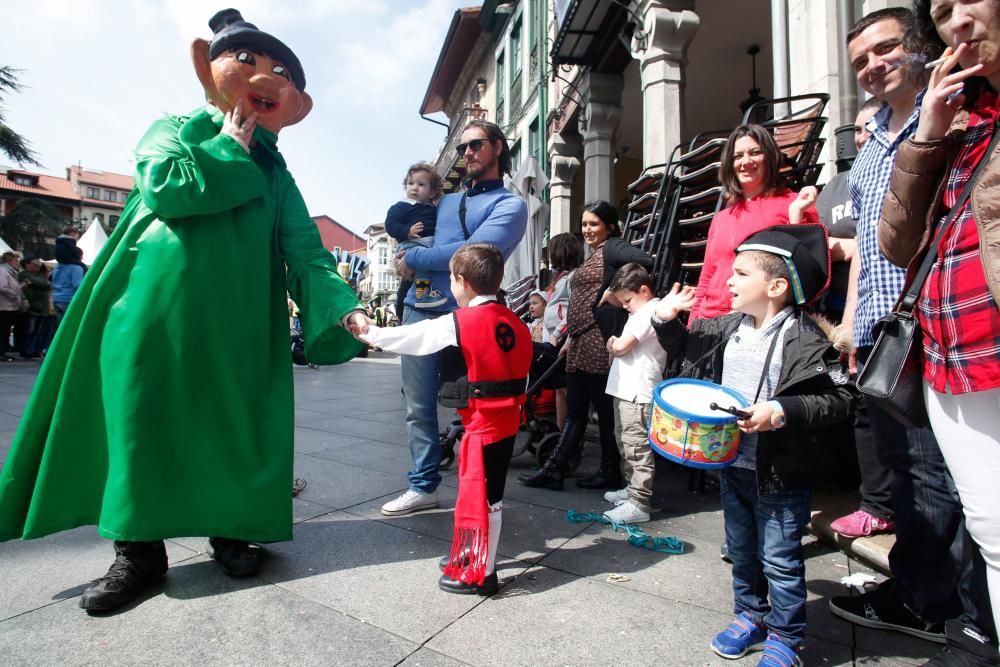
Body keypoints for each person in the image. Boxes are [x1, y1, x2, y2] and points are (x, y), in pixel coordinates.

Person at [0, 9, 366, 614]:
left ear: (296, 105)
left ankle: (230, 528)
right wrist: (228, 145)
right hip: (145, 311)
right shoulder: (170, 128)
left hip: (239, 321)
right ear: (208, 67)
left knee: (234, 421)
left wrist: (343, 309)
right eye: (248, 61)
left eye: (281, 73)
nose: (263, 78)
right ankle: (138, 553)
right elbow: (170, 186)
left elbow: (305, 250)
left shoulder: (276, 172)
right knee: (142, 421)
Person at [828, 9, 997, 659]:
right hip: (882, 325)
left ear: (919, 46)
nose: (873, 65)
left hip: (943, 319)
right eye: (861, 61)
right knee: (909, 470)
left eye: (885, 48)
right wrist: (850, 320)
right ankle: (928, 590)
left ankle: (933, 600)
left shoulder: (954, 104)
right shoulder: (870, 143)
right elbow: (871, 243)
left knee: (936, 475)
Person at [655, 224, 854, 666]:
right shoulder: (728, 326)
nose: (728, 279)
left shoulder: (804, 338)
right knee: (742, 550)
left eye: (741, 273)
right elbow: (687, 349)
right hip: (734, 465)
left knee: (781, 559)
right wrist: (664, 319)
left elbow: (840, 399)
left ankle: (787, 636)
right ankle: (750, 615)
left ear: (777, 286)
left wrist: (781, 410)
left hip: (781, 471)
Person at [877, 0, 1000, 659]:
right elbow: (897, 240)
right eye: (942, 11)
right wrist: (928, 130)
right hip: (951, 354)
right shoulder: (955, 121)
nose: (956, 22)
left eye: (967, 1)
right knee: (993, 529)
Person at [356, 243, 532, 595]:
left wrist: (369, 334)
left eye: (451, 278)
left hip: (482, 424)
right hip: (508, 419)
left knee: (485, 498)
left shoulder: (461, 321)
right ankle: (474, 555)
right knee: (489, 494)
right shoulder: (516, 321)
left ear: (461, 281)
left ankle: (484, 571)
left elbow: (412, 337)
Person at [378, 120, 528, 517]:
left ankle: (477, 491)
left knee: (479, 409)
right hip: (419, 307)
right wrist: (409, 255)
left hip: (472, 315)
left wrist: (412, 259)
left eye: (475, 145)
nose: (467, 154)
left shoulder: (510, 204)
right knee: (418, 405)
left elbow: (472, 254)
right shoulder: (442, 203)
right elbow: (416, 240)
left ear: (498, 147)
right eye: (463, 148)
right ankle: (424, 485)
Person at [519, 201, 653, 491]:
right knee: (578, 410)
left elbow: (645, 262)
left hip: (598, 340)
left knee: (602, 411)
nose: (588, 230)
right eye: (584, 225)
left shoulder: (614, 246)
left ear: (610, 226)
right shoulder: (593, 255)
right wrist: (569, 337)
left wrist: (615, 295)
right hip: (580, 340)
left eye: (594, 224)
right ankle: (555, 468)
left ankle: (607, 471)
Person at [688, 124, 819, 323]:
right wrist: (693, 321)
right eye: (738, 156)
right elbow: (707, 276)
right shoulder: (721, 218)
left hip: (755, 323)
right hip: (709, 320)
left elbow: (807, 273)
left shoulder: (795, 204)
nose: (746, 161)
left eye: (755, 153)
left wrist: (796, 215)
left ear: (769, 157)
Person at [599, 263, 679, 524]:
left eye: (628, 300)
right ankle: (633, 489)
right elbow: (610, 297)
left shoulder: (649, 311)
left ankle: (639, 501)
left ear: (644, 290)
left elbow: (621, 346)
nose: (623, 305)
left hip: (638, 392)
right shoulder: (641, 309)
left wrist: (611, 342)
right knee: (626, 442)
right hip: (627, 390)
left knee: (636, 446)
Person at [814, 98, 881, 324]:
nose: (861, 138)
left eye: (870, 129)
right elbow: (814, 243)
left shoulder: (896, 179)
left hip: (882, 303)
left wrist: (859, 247)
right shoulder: (837, 185)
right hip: (835, 309)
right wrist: (850, 247)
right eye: (857, 130)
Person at [384, 162, 444, 309]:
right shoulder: (402, 207)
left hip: (426, 245)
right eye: (411, 183)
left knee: (421, 271)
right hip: (412, 245)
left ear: (432, 192)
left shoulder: (435, 209)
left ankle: (411, 301)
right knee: (423, 268)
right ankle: (422, 296)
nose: (414, 187)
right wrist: (407, 232)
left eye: (421, 184)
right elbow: (390, 225)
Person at [542, 232, 583, 429]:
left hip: (561, 338)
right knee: (560, 389)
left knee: (563, 389)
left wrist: (557, 333)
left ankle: (566, 431)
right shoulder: (559, 277)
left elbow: (573, 310)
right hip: (553, 337)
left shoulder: (573, 277)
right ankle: (561, 430)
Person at [17, 257, 51, 359]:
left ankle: (34, 349)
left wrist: (40, 283)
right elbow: (42, 283)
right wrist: (41, 283)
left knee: (38, 330)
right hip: (31, 306)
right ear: (27, 264)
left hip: (42, 307)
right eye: (35, 265)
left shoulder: (41, 274)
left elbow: (47, 284)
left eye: (38, 265)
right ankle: (27, 350)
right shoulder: (23, 274)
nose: (37, 267)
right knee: (29, 330)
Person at [0, 252, 25, 359]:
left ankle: (3, 351)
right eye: (16, 261)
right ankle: (1, 352)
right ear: (9, 261)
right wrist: (14, 294)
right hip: (5, 305)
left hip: (10, 305)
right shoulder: (3, 271)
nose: (17, 263)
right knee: (2, 330)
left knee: (5, 330)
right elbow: (3, 287)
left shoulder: (10, 272)